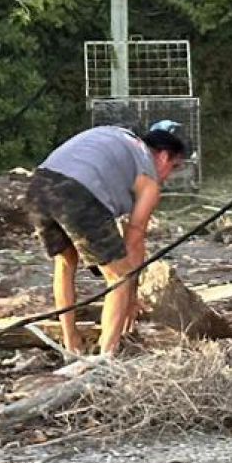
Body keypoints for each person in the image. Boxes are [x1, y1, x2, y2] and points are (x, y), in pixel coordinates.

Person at [22, 120, 189, 357]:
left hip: (40, 186)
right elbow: (134, 241)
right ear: (163, 157)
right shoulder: (149, 179)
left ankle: (71, 343)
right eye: (174, 167)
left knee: (65, 263)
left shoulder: (119, 138)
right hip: (79, 194)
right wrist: (131, 298)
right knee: (119, 278)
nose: (169, 176)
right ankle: (106, 358)